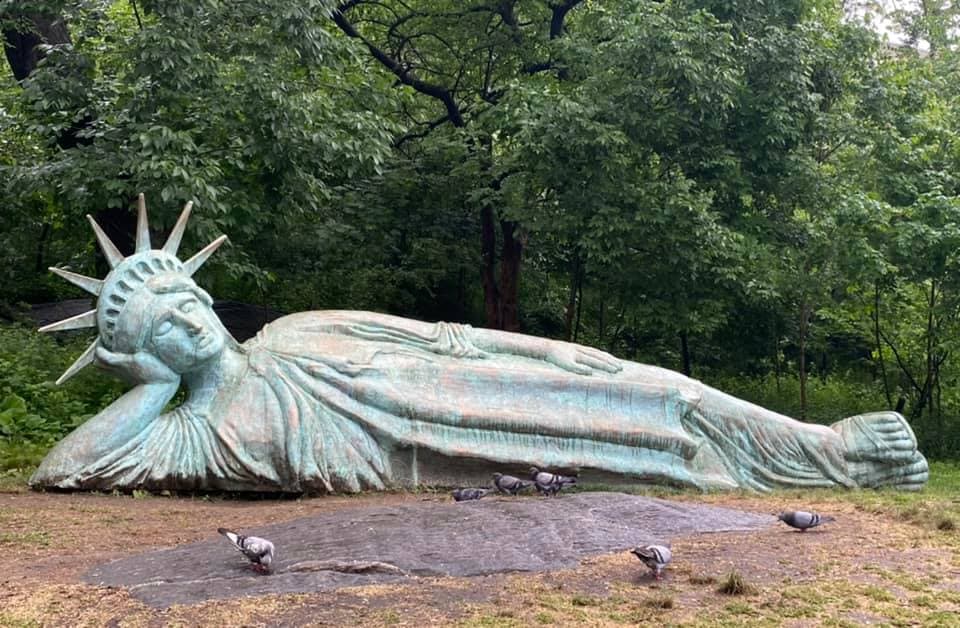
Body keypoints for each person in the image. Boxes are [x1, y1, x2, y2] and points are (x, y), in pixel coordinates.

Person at [31, 197, 929, 493]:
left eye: (186, 303)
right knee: (656, 458)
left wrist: (547, 354)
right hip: (456, 456)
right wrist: (146, 384)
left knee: (657, 386)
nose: (189, 324)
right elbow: (60, 470)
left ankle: (828, 451)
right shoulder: (187, 429)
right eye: (164, 332)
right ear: (153, 356)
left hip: (493, 385)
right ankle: (814, 464)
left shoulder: (299, 330)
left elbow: (444, 339)